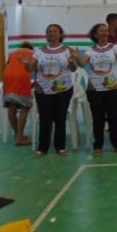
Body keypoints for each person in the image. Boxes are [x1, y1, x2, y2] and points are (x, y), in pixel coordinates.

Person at [77, 23, 117, 156]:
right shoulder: (90, 50)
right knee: (98, 119)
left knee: (114, 118)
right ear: (95, 34)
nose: (104, 33)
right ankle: (98, 146)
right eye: (101, 31)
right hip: (94, 90)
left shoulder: (114, 47)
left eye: (106, 30)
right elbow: (82, 63)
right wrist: (76, 56)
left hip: (114, 89)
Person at [24, 24, 76, 157]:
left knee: (60, 118)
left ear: (60, 35)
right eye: (49, 31)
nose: (52, 33)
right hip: (43, 91)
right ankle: (43, 148)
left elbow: (74, 69)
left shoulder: (67, 50)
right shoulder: (39, 51)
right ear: (46, 35)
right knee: (45, 119)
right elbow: (30, 68)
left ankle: (60, 147)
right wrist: (27, 64)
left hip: (63, 90)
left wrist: (71, 62)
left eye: (55, 31)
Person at [2, 42, 35, 146]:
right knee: (25, 108)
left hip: (8, 77)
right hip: (22, 77)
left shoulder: (13, 53)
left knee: (12, 106)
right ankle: (20, 137)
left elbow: (8, 66)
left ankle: (18, 134)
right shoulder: (33, 53)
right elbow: (34, 70)